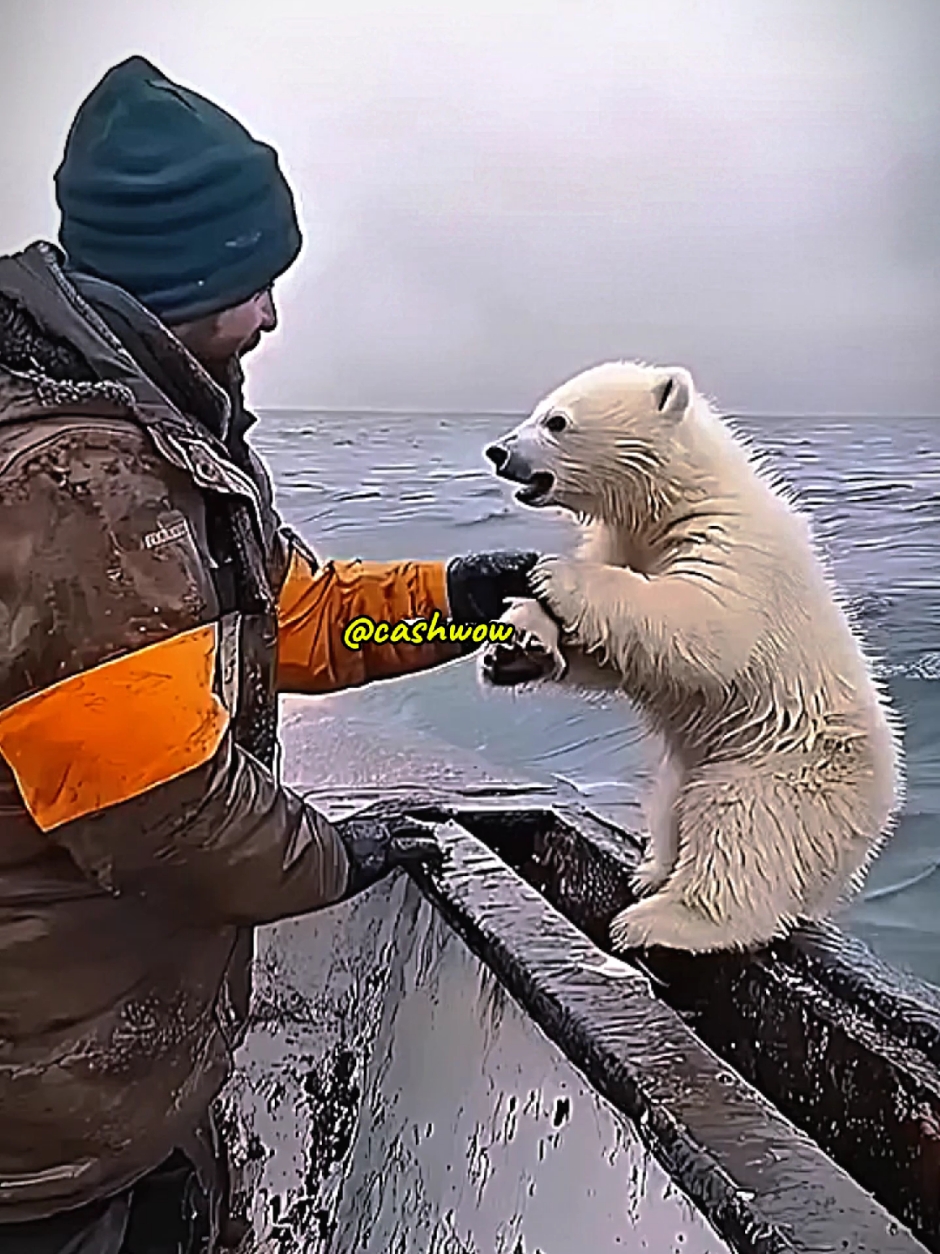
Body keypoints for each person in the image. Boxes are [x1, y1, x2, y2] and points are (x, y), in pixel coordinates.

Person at [0, 57, 541, 1253]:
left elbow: (285, 621)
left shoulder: (149, 430)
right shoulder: (80, 483)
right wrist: (329, 861)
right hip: (38, 1126)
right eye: (255, 286)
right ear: (179, 278)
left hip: (98, 1082)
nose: (273, 318)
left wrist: (458, 599)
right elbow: (164, 806)